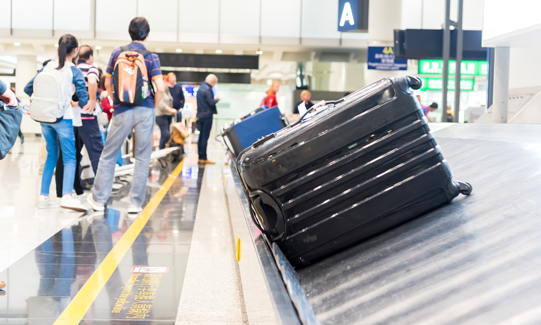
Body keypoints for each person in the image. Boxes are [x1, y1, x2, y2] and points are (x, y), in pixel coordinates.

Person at [87, 17, 165, 214]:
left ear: (130, 32)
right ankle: (135, 203)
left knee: (109, 155)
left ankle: (98, 200)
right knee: (142, 157)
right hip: (145, 109)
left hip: (121, 109)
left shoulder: (117, 52)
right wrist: (152, 106)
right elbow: (161, 87)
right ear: (147, 35)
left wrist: (115, 100)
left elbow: (107, 81)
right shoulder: (151, 57)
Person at [24, 34, 89, 211]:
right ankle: (67, 196)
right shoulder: (73, 70)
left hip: (45, 119)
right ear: (75, 51)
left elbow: (28, 88)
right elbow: (84, 98)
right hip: (64, 118)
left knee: (51, 155)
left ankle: (44, 197)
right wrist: (75, 102)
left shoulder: (46, 67)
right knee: (70, 157)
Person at [75, 45, 104, 174]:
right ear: (90, 57)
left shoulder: (73, 68)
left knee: (74, 153)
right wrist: (92, 100)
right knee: (96, 151)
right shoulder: (91, 68)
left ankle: (76, 186)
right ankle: (101, 187)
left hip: (73, 116)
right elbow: (92, 82)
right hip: (87, 115)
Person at [196, 74, 219, 165]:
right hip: (207, 116)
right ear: (212, 81)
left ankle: (200, 157)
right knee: (205, 137)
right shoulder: (208, 89)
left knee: (201, 137)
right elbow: (211, 102)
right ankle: (203, 157)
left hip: (200, 115)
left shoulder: (200, 88)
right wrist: (217, 99)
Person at [156, 74, 177, 149]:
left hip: (168, 115)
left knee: (166, 135)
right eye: (164, 82)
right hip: (161, 115)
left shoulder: (167, 91)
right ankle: (161, 150)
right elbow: (161, 104)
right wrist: (171, 110)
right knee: (165, 134)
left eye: (167, 82)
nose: (166, 83)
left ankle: (163, 150)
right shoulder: (159, 91)